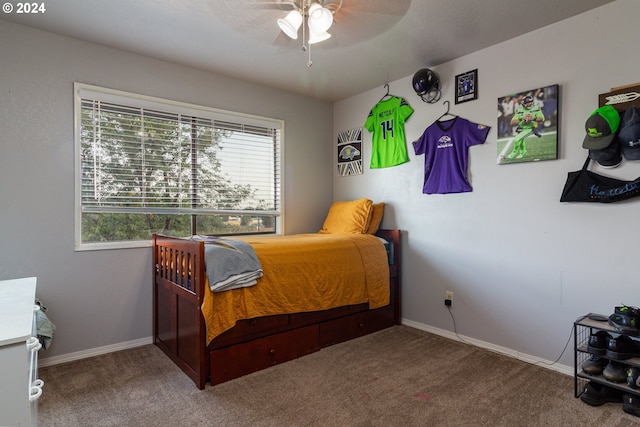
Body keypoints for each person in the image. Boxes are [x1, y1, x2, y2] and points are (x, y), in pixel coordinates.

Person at [507, 94, 545, 159]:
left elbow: (542, 119)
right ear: (523, 103)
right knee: (521, 141)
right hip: (521, 128)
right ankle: (523, 152)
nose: (529, 104)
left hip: (530, 128)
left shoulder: (536, 108)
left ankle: (514, 152)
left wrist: (532, 119)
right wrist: (522, 118)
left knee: (517, 139)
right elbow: (512, 122)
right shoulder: (519, 110)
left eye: (530, 102)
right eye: (527, 103)